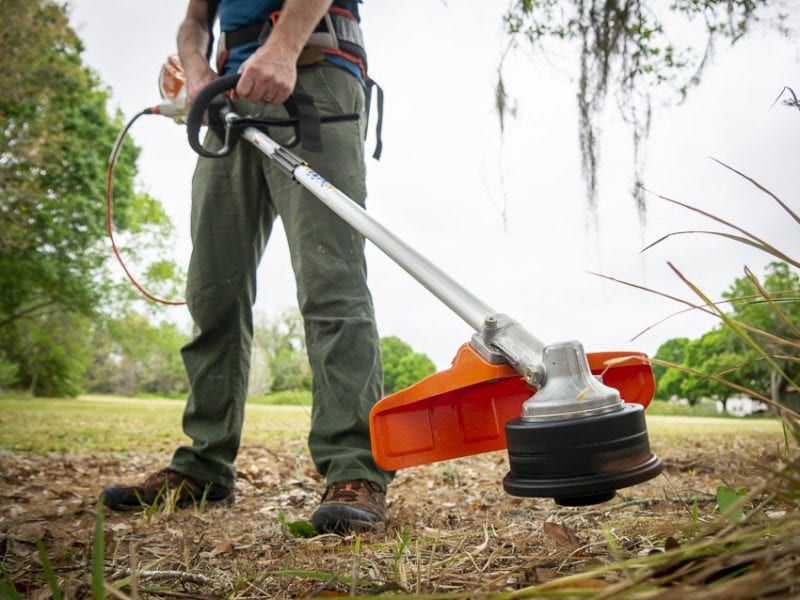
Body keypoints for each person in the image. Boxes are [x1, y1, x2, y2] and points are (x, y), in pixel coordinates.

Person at [100, 0, 393, 534]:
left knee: (331, 285)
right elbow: (194, 21)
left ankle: (356, 467)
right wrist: (196, 69)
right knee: (213, 289)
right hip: (227, 99)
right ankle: (205, 465)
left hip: (315, 76)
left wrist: (281, 49)